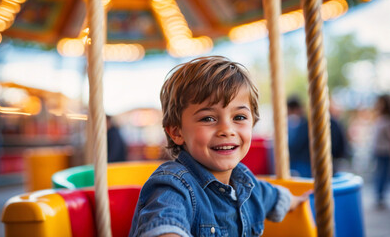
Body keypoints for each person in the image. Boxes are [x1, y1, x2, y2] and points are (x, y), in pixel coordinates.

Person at [129, 56, 309, 236]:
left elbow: (276, 198)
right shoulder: (173, 184)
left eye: (239, 117)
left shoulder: (247, 183)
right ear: (177, 132)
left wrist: (300, 200)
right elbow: (166, 224)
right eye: (208, 118)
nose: (227, 130)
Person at [287, 95, 349, 177]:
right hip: (328, 164)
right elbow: (342, 147)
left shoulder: (306, 124)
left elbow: (296, 145)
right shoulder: (334, 124)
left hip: (307, 166)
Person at [371, 94, 390, 208]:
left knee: (382, 174)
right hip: (378, 151)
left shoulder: (387, 120)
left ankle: (380, 196)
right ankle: (379, 196)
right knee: (379, 173)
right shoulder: (381, 118)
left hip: (384, 151)